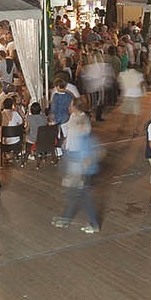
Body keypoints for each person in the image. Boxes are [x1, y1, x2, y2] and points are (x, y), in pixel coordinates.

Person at [55, 98, 101, 234]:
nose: (69, 106)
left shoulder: (82, 121)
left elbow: (84, 141)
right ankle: (66, 218)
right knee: (74, 192)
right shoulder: (74, 116)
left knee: (81, 193)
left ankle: (92, 223)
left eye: (71, 104)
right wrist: (65, 143)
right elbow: (71, 135)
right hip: (72, 157)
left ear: (75, 106)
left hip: (78, 160)